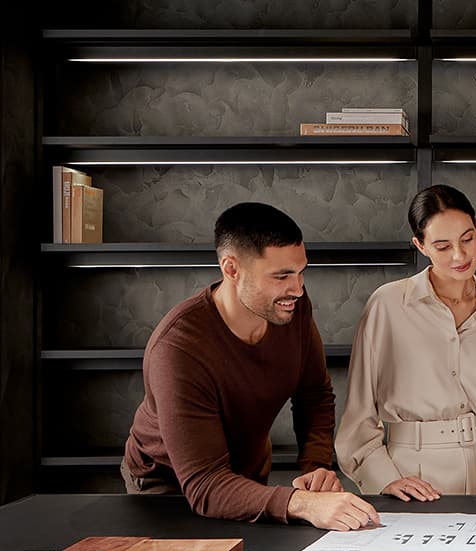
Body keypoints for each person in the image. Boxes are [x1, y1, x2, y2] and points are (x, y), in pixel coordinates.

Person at [122, 202, 379, 531]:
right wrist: (301, 503)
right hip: (168, 493)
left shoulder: (290, 307)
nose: (297, 288)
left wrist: (314, 466)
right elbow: (204, 485)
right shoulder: (177, 349)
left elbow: (314, 394)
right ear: (231, 269)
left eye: (301, 272)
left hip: (242, 477)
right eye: (281, 276)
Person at [335, 185, 476, 500]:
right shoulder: (387, 305)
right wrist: (384, 480)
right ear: (420, 245)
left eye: (468, 239)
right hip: (413, 475)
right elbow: (359, 413)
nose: (460, 255)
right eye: (442, 246)